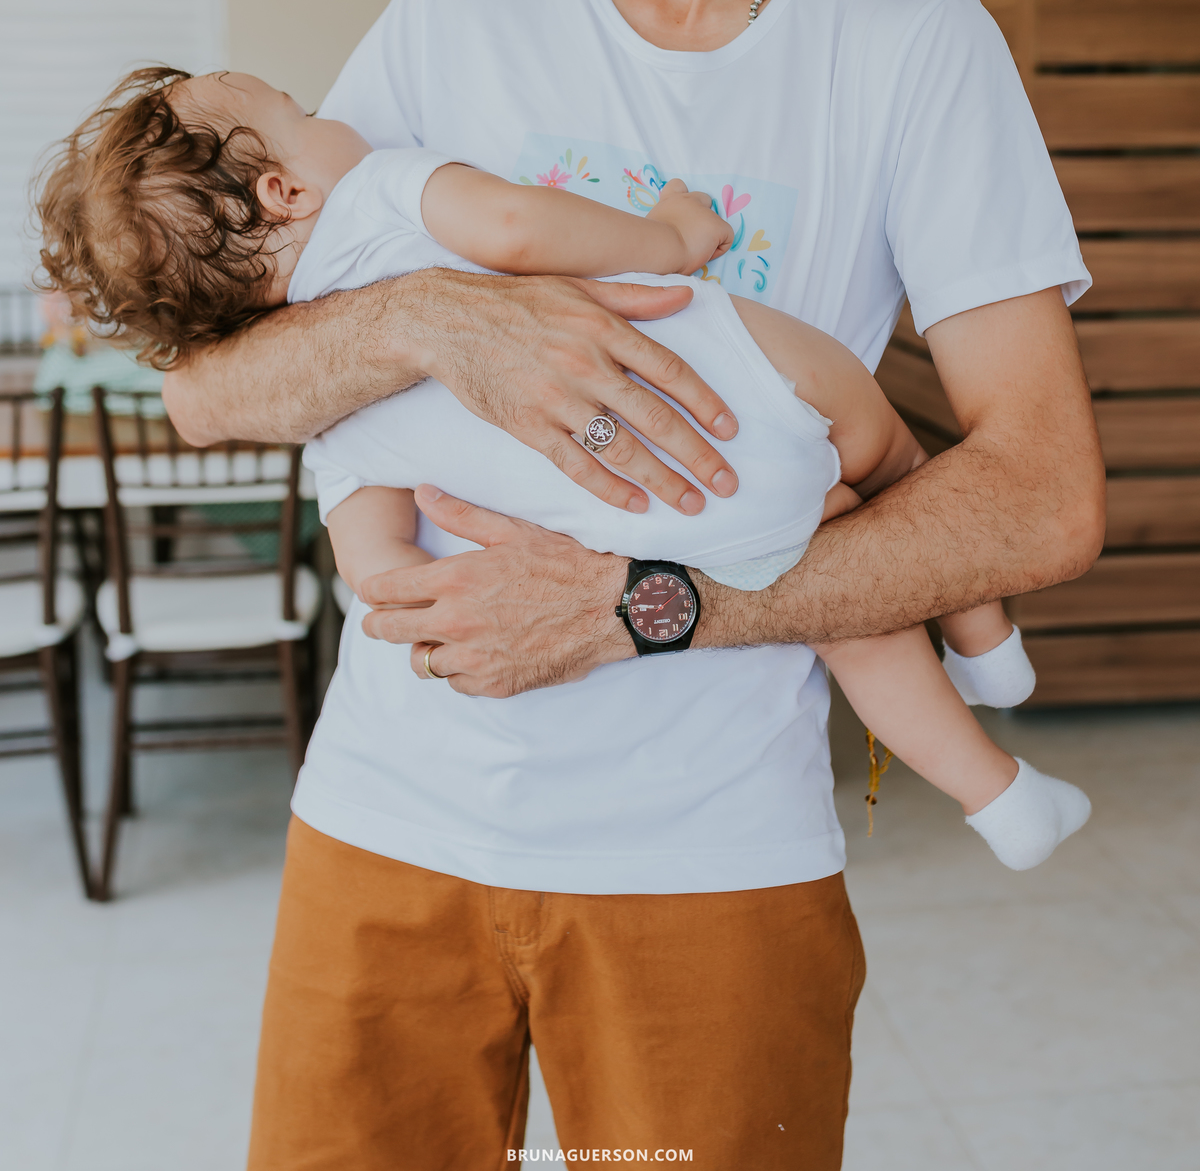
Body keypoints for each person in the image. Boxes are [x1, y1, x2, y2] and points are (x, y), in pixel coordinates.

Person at [145, 0, 1103, 1171]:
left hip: (714, 868)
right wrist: (451, 320)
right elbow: (212, 388)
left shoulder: (918, 48)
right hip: (382, 827)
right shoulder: (452, 16)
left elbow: (1037, 495)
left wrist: (646, 608)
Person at [37, 63, 1092, 877]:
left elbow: (374, 563)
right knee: (894, 464)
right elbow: (512, 224)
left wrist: (487, 592)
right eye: (301, 104)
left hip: (644, 528)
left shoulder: (334, 409)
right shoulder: (381, 194)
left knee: (838, 606)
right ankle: (987, 642)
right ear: (285, 187)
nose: (335, 111)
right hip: (740, 396)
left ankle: (996, 797)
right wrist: (670, 234)